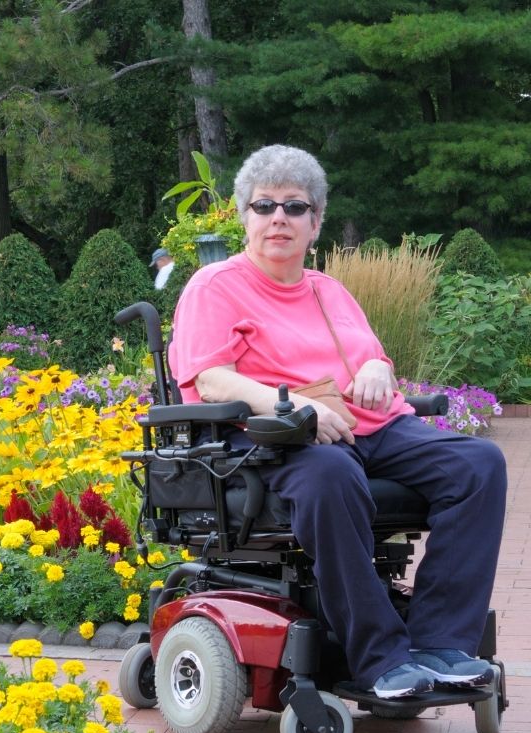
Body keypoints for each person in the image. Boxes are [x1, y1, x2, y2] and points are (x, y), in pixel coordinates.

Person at [168, 144, 507, 699]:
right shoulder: (215, 286)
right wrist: (291, 404)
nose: (279, 217)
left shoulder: (330, 290)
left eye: (295, 206)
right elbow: (211, 379)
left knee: (478, 465)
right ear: (243, 217)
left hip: (372, 426)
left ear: (315, 222)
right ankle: (381, 661)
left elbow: (370, 355)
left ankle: (441, 646)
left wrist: (378, 366)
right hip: (283, 439)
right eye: (264, 206)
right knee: (331, 477)